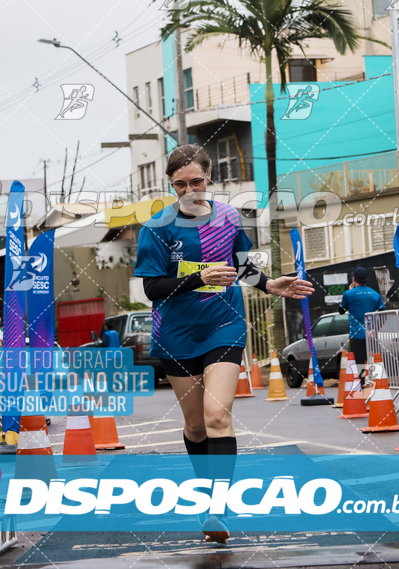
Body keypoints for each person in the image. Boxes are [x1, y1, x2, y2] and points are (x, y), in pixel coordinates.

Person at [134, 143, 314, 543]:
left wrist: (270, 284)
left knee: (218, 416)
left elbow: (244, 267)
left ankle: (217, 506)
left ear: (209, 177)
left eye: (196, 181)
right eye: (180, 184)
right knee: (196, 426)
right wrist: (199, 278)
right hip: (177, 334)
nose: (190, 190)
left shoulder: (230, 217)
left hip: (224, 325)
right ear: (172, 185)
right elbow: (152, 287)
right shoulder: (157, 228)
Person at [338, 266, 384, 388]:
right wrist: (376, 328)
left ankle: (364, 391)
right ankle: (376, 390)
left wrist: (348, 292)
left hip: (356, 336)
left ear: (354, 279)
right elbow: (383, 313)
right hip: (372, 335)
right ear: (366, 279)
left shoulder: (348, 294)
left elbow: (341, 310)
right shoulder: (375, 294)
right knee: (373, 363)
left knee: (360, 365)